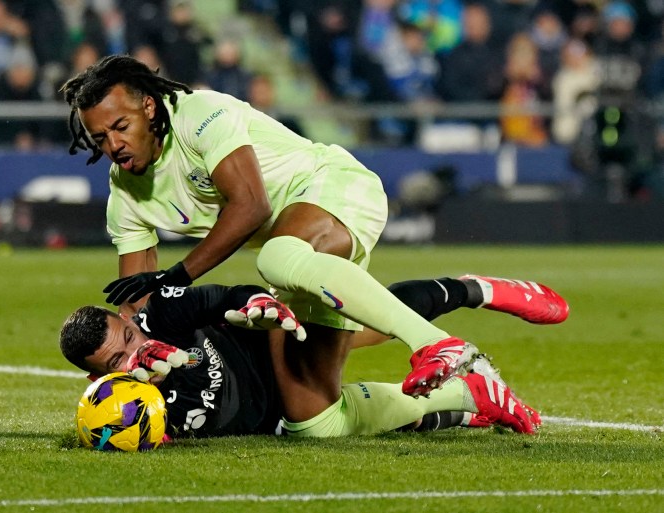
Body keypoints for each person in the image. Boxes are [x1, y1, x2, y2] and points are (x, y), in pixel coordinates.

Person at [59, 54, 563, 412]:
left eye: (120, 126)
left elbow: (251, 205)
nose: (113, 144)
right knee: (311, 412)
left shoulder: (200, 114)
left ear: (148, 106)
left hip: (336, 188)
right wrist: (137, 352)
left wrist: (179, 276)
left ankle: (437, 345)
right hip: (298, 240)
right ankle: (473, 347)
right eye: (100, 137)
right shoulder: (124, 193)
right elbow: (138, 306)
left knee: (276, 257)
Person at [61, 275, 568, 439]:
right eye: (116, 362)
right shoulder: (120, 407)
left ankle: (477, 288)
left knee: (369, 325)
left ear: (128, 322)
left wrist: (252, 304)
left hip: (278, 345)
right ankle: (467, 401)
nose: (134, 354)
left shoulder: (162, 316)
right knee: (329, 425)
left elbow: (221, 298)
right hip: (274, 417)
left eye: (127, 338)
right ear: (94, 376)